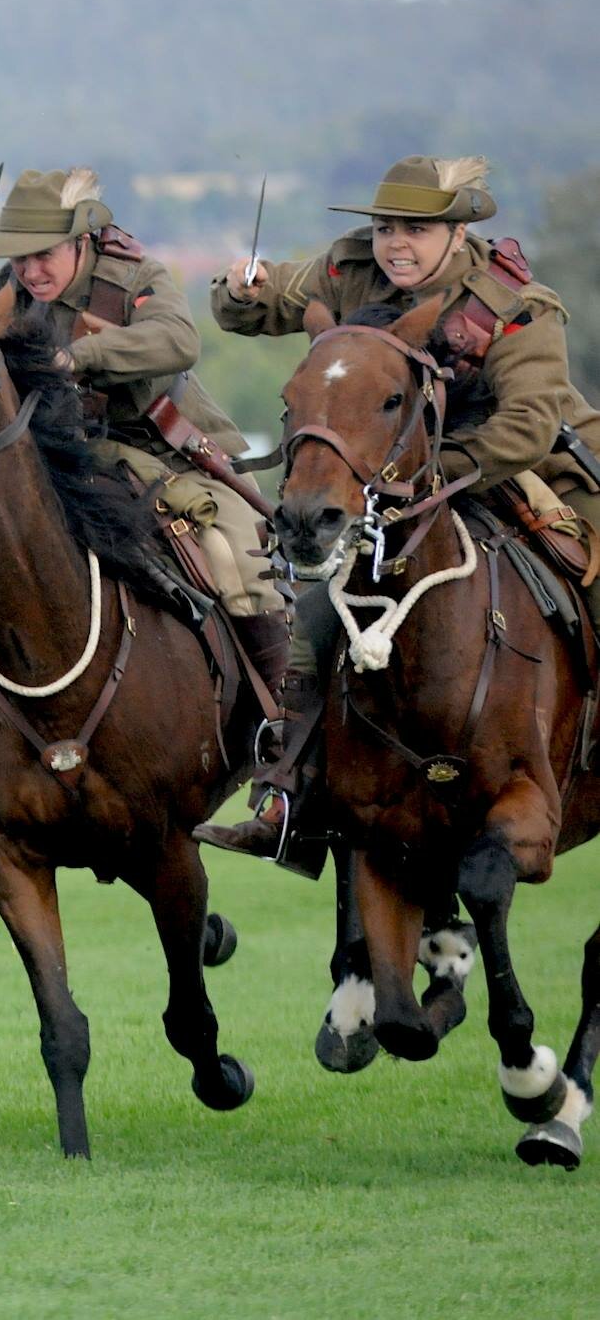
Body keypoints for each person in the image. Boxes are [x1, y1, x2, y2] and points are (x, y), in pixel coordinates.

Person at [194, 155, 600, 872]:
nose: (395, 243)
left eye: (415, 229)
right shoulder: (349, 269)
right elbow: (262, 301)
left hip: (510, 464)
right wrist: (235, 287)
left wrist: (426, 471)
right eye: (385, 227)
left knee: (591, 577)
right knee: (319, 614)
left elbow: (530, 423)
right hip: (392, 477)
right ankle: (290, 793)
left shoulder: (514, 304)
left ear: (456, 234)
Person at [0, 167, 286, 794]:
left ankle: (281, 728)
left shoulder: (137, 277)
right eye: (20, 258)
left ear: (81, 243)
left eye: (44, 255)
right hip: (55, 463)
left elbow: (177, 341)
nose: (31, 272)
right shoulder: (4, 295)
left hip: (155, 447)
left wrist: (78, 356)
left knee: (238, 549)